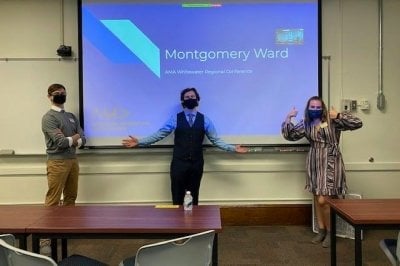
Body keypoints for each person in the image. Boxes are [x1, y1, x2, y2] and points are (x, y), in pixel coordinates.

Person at [122, 87, 248, 205]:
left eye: (192, 96)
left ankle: (193, 226)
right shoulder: (175, 119)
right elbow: (159, 134)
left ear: (197, 99)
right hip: (179, 163)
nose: (190, 99)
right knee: (177, 194)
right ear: (183, 100)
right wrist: (140, 142)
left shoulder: (205, 120)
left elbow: (215, 140)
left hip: (197, 163)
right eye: (187, 97)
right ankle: (177, 226)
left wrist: (232, 148)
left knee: (193, 195)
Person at [281, 96, 362, 248]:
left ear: (323, 108)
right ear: (308, 108)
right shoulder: (306, 123)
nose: (315, 110)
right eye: (313, 107)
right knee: (317, 197)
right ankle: (322, 230)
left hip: (331, 162)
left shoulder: (333, 121)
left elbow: (358, 123)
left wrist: (338, 115)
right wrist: (288, 117)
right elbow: (290, 135)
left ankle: (331, 233)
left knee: (324, 200)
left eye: (318, 107)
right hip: (314, 162)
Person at [41, 83, 86, 254]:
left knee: (71, 197)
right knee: (53, 199)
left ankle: (66, 230)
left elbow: (83, 138)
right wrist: (74, 138)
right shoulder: (49, 118)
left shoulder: (71, 116)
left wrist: (72, 138)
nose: (61, 95)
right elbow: (60, 142)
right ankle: (45, 238)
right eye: (57, 93)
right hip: (57, 162)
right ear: (49, 96)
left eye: (63, 93)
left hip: (73, 160)